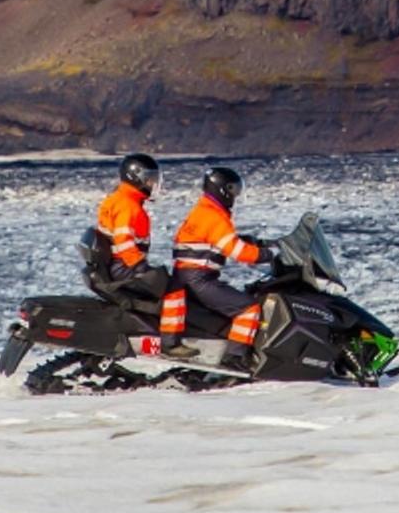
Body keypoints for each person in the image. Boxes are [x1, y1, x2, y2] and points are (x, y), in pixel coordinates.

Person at [160, 166, 272, 369]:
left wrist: (249, 241)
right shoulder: (215, 216)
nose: (234, 195)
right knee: (249, 308)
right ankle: (235, 357)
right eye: (232, 189)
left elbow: (217, 241)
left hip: (185, 275)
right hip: (200, 279)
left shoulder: (203, 210)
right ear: (220, 189)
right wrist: (268, 254)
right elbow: (239, 253)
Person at [92, 153, 168, 303]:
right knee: (169, 288)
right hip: (124, 267)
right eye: (150, 178)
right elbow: (123, 241)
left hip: (116, 264)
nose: (153, 183)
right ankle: (168, 326)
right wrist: (141, 268)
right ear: (136, 177)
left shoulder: (117, 199)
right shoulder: (128, 206)